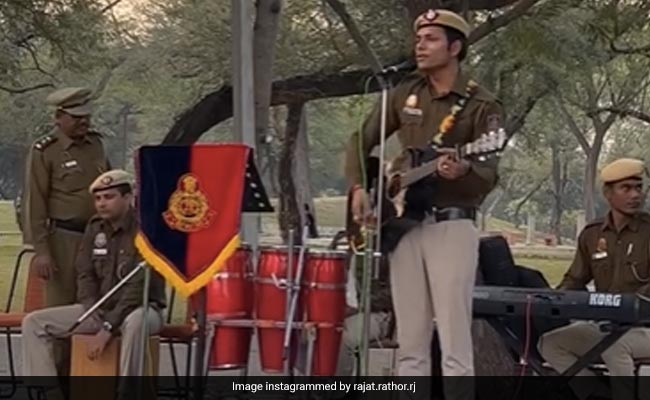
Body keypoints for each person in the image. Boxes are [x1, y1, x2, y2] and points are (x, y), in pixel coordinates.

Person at [344, 8, 503, 400]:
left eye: (431, 39)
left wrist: (463, 170)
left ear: (455, 47)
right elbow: (361, 139)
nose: (420, 45)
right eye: (418, 38)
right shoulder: (404, 91)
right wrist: (360, 187)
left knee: (453, 341)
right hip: (403, 225)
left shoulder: (481, 102)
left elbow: (488, 172)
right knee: (410, 343)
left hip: (451, 226)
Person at [21, 170, 166, 397]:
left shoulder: (146, 229)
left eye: (109, 197)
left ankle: (128, 393)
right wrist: (90, 305)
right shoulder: (95, 227)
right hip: (100, 308)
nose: (101, 204)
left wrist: (107, 327)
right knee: (34, 323)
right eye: (98, 198)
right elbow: (84, 272)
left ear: (128, 197)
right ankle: (51, 393)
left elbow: (137, 288)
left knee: (135, 324)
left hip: (141, 309)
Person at [538, 158, 650, 400]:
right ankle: (596, 395)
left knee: (614, 346)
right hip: (606, 326)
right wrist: (549, 301)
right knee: (550, 344)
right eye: (626, 188)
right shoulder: (592, 234)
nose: (635, 195)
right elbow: (575, 279)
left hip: (643, 328)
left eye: (638, 187)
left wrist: (631, 305)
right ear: (608, 194)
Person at [22, 87, 111, 307]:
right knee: (60, 305)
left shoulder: (96, 145)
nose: (84, 122)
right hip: (64, 240)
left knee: (97, 304)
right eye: (77, 117)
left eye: (86, 116)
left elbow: (110, 185)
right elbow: (35, 202)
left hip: (98, 236)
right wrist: (42, 251)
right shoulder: (45, 151)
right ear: (59, 117)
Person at [336, 255, 393, 377]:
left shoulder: (383, 254)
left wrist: (360, 305)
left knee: (341, 337)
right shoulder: (342, 250)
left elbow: (391, 295)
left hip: (377, 314)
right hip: (346, 312)